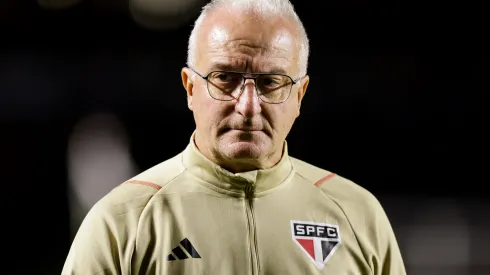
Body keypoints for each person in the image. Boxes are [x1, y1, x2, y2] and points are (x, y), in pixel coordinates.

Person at [62, 0, 407, 274]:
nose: (248, 106)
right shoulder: (122, 223)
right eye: (225, 78)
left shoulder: (357, 216)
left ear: (300, 96)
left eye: (271, 82)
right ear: (190, 88)